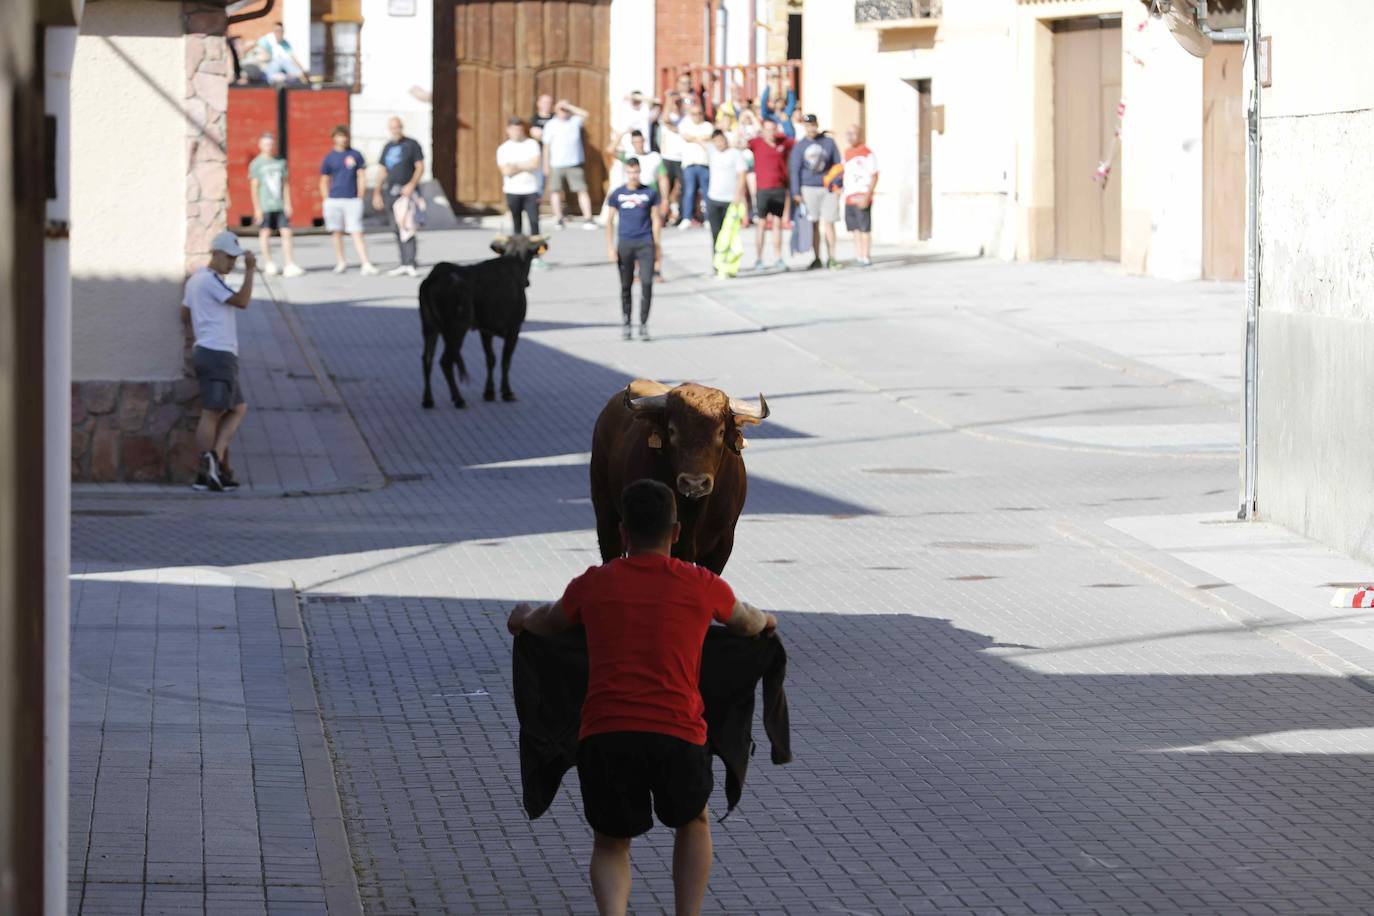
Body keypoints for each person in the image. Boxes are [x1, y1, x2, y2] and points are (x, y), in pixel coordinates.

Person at [506, 478, 777, 916]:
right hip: (680, 733)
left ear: (623, 531)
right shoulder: (702, 583)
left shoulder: (592, 584)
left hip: (606, 735)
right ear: (675, 532)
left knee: (611, 843)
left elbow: (549, 621)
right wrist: (768, 619)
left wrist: (523, 617)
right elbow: (746, 622)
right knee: (694, 821)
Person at [183, 231, 256, 493]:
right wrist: (250, 271)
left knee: (238, 407)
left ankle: (214, 458)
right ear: (214, 254)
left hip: (213, 350)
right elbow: (243, 301)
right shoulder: (209, 280)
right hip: (216, 352)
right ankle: (207, 468)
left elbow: (184, 312)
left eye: (235, 260)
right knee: (213, 411)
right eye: (228, 258)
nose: (232, 264)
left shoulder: (196, 282)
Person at [604, 158, 662, 341]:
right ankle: (627, 323)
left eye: (636, 172)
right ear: (626, 173)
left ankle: (643, 324)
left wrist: (657, 246)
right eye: (630, 172)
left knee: (646, 284)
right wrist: (610, 248)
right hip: (625, 243)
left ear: (640, 172)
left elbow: (656, 221)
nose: (633, 176)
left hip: (645, 243)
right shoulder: (617, 194)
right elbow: (609, 222)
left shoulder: (649, 193)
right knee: (625, 285)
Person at [319, 125, 377, 275]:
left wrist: (360, 195)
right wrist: (326, 198)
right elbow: (324, 179)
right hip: (334, 199)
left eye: (345, 136)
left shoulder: (355, 155)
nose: (343, 139)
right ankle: (341, 261)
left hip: (352, 199)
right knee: (336, 231)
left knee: (357, 231)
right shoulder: (329, 158)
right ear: (334, 138)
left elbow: (361, 176)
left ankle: (365, 262)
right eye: (339, 136)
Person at [789, 114, 843, 270]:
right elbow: (795, 170)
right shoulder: (800, 146)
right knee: (813, 224)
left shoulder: (828, 142)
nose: (810, 128)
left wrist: (838, 184)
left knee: (830, 223)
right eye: (807, 126)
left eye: (812, 125)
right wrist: (796, 192)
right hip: (808, 187)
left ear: (817, 125)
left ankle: (832, 257)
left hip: (827, 188)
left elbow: (838, 165)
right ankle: (817, 257)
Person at [372, 116, 424, 276]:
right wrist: (377, 192)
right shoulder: (387, 147)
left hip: (407, 193)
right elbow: (382, 171)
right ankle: (403, 262)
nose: (396, 130)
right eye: (393, 128)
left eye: (398, 127)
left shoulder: (412, 145)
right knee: (396, 227)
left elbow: (420, 167)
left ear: (402, 127)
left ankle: (411, 262)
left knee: (408, 226)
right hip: (391, 192)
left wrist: (411, 185)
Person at [247, 132, 304, 277]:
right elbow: (254, 187)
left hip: (279, 204)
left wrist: (288, 203)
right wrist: (257, 208)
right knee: (265, 233)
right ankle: (269, 263)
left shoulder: (280, 162)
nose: (269, 147)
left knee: (286, 232)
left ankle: (289, 263)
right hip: (266, 205)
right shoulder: (256, 164)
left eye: (271, 144)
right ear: (260, 145)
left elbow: (285, 184)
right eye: (266, 144)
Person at [746, 117, 794, 271]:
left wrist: (784, 124)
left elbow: (793, 140)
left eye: (773, 129)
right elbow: (742, 142)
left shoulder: (783, 143)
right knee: (761, 223)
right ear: (762, 130)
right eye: (767, 129)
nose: (770, 132)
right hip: (763, 189)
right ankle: (759, 258)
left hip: (779, 188)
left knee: (777, 223)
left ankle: (778, 257)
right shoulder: (756, 143)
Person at [542, 100, 597, 230]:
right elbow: (546, 146)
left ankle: (588, 218)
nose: (564, 111)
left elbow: (586, 115)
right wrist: (545, 164)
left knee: (582, 190)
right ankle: (559, 218)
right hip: (556, 163)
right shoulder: (551, 124)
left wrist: (569, 107)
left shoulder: (575, 121)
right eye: (561, 109)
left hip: (574, 163)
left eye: (566, 109)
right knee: (555, 191)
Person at [497, 117, 546, 256]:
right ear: (508, 131)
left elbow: (535, 164)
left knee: (534, 223)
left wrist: (515, 165)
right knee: (516, 224)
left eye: (519, 129)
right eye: (514, 130)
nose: (517, 132)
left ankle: (538, 255)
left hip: (530, 190)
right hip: (512, 190)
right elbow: (506, 171)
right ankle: (518, 254)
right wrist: (525, 164)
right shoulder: (503, 148)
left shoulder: (531, 144)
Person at [703, 130, 747, 256]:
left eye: (721, 140)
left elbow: (742, 175)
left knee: (730, 233)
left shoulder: (735, 154)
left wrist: (738, 195)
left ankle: (729, 259)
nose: (719, 143)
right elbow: (698, 140)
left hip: (730, 199)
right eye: (716, 141)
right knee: (716, 232)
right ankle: (717, 261)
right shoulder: (712, 152)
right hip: (713, 198)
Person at [841, 124, 879, 267]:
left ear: (860, 135)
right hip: (849, 196)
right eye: (848, 133)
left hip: (862, 195)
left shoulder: (867, 153)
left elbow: (874, 176)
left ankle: (866, 256)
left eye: (854, 133)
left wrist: (868, 195)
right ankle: (858, 256)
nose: (850, 136)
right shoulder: (846, 153)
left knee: (864, 228)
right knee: (854, 228)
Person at [672, 103, 714, 230]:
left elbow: (708, 137)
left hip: (704, 163)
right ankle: (686, 218)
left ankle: (708, 218)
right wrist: (699, 140)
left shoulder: (708, 126)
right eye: (694, 114)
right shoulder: (685, 125)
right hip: (689, 164)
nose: (697, 116)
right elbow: (685, 136)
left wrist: (693, 138)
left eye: (699, 113)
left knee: (707, 193)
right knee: (689, 192)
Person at [529, 93, 556, 202]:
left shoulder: (556, 117)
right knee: (540, 181)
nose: (547, 105)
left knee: (557, 184)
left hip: (556, 154)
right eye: (544, 102)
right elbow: (535, 133)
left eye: (549, 102)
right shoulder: (535, 118)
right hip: (540, 154)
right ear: (539, 104)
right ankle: (535, 207)